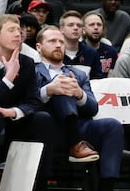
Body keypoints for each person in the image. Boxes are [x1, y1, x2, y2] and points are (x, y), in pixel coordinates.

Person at [0, 15, 55, 191]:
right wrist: (8, 79)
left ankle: (43, 182)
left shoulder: (27, 63)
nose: (18, 34)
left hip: (14, 123)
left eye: (19, 30)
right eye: (11, 30)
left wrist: (13, 111)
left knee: (43, 118)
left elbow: (34, 102)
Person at [35, 25, 124, 191]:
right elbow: (28, 101)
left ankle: (107, 187)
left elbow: (93, 108)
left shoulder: (78, 74)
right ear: (38, 47)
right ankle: (75, 143)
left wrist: (79, 93)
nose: (58, 45)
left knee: (112, 125)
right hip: (48, 128)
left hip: (78, 128)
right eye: (52, 41)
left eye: (61, 41)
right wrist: (49, 90)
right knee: (61, 87)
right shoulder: (31, 71)